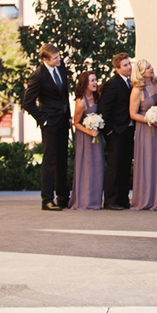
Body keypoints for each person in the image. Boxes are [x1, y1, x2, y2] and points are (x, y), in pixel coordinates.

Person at [22, 43, 71, 211]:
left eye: (59, 56)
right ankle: (47, 200)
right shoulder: (38, 76)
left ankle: (64, 198)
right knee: (49, 162)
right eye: (55, 58)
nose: (59, 60)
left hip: (63, 120)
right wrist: (43, 120)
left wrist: (69, 116)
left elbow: (64, 94)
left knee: (62, 159)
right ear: (45, 59)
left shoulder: (61, 65)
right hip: (49, 123)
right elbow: (27, 103)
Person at [129, 60, 157, 210]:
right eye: (147, 68)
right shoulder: (137, 91)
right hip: (146, 130)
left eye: (151, 66)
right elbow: (133, 114)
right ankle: (147, 198)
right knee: (149, 162)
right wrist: (149, 119)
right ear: (140, 73)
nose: (151, 69)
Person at [98, 53, 135, 210]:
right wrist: (109, 132)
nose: (129, 67)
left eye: (129, 64)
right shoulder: (111, 84)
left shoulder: (130, 83)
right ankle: (111, 200)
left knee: (125, 166)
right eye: (125, 65)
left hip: (128, 130)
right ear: (117, 68)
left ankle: (123, 198)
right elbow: (104, 110)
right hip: (116, 132)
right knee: (114, 166)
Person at [69, 71, 104, 210]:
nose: (95, 83)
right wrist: (89, 131)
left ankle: (96, 201)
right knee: (87, 167)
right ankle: (85, 201)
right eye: (92, 80)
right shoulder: (81, 101)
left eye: (96, 80)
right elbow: (76, 122)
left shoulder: (97, 97)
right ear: (85, 83)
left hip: (97, 136)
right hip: (85, 137)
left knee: (98, 166)